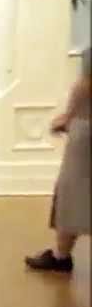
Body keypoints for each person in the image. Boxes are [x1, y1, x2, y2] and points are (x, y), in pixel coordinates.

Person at [26, 47, 92, 272]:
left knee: (72, 191)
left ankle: (61, 256)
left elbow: (86, 84)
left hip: (87, 126)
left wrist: (68, 116)